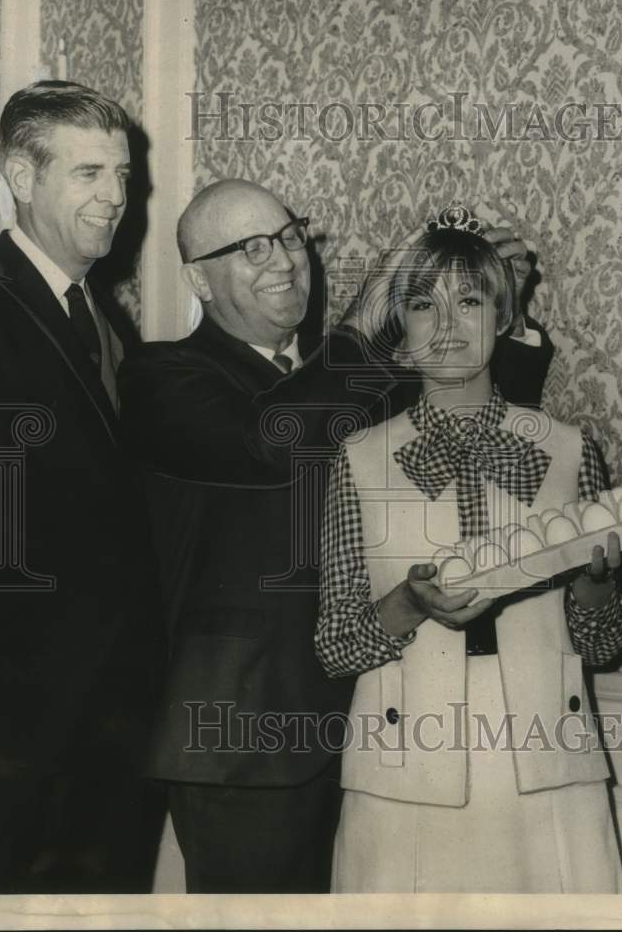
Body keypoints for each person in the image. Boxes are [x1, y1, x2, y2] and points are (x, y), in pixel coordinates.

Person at [117, 179, 550, 893]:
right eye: (250, 249)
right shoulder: (163, 376)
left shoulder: (353, 379)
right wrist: (366, 320)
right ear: (198, 277)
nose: (285, 260)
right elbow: (273, 438)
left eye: (289, 236)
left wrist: (508, 308)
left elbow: (481, 438)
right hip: (248, 735)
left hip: (378, 717)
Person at [315, 205, 622, 893]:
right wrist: (408, 603)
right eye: (425, 305)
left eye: (469, 301)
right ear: (402, 329)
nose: (450, 326)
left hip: (545, 764)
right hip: (404, 767)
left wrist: (595, 589)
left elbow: (604, 644)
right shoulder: (358, 458)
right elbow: (335, 644)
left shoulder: (571, 451)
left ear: (502, 316)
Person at [0, 80, 164, 893]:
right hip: (6, 747)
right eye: (89, 172)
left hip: (111, 741)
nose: (116, 198)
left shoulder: (105, 322)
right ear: (21, 178)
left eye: (124, 174)